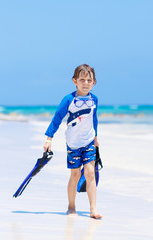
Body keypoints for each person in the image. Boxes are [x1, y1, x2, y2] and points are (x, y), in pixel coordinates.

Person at [43, 64, 102, 219]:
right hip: (73, 143)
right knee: (75, 174)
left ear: (94, 82)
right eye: (82, 79)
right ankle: (71, 206)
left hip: (88, 141)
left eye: (89, 80)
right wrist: (49, 139)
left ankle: (93, 209)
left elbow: (93, 119)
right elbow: (56, 119)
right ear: (74, 81)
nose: (85, 83)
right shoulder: (69, 99)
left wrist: (95, 138)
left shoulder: (94, 99)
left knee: (90, 174)